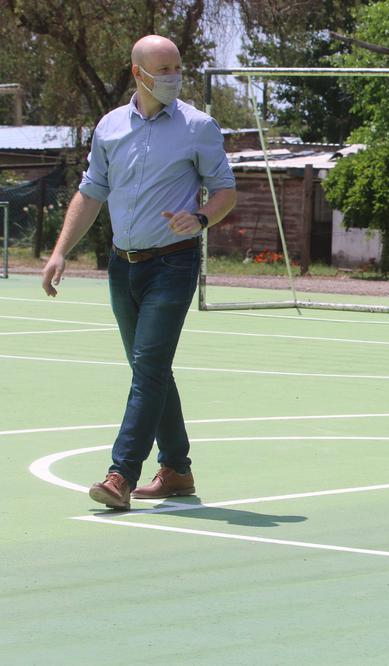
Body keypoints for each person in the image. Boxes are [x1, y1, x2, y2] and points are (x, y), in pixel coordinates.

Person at [41, 35, 237, 510]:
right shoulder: (109, 127)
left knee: (148, 368)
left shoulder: (199, 127)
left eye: (176, 66)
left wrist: (203, 217)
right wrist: (60, 250)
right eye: (162, 68)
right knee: (149, 369)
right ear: (138, 73)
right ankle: (177, 471)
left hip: (174, 262)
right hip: (121, 264)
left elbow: (225, 190)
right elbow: (90, 193)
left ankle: (120, 475)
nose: (172, 76)